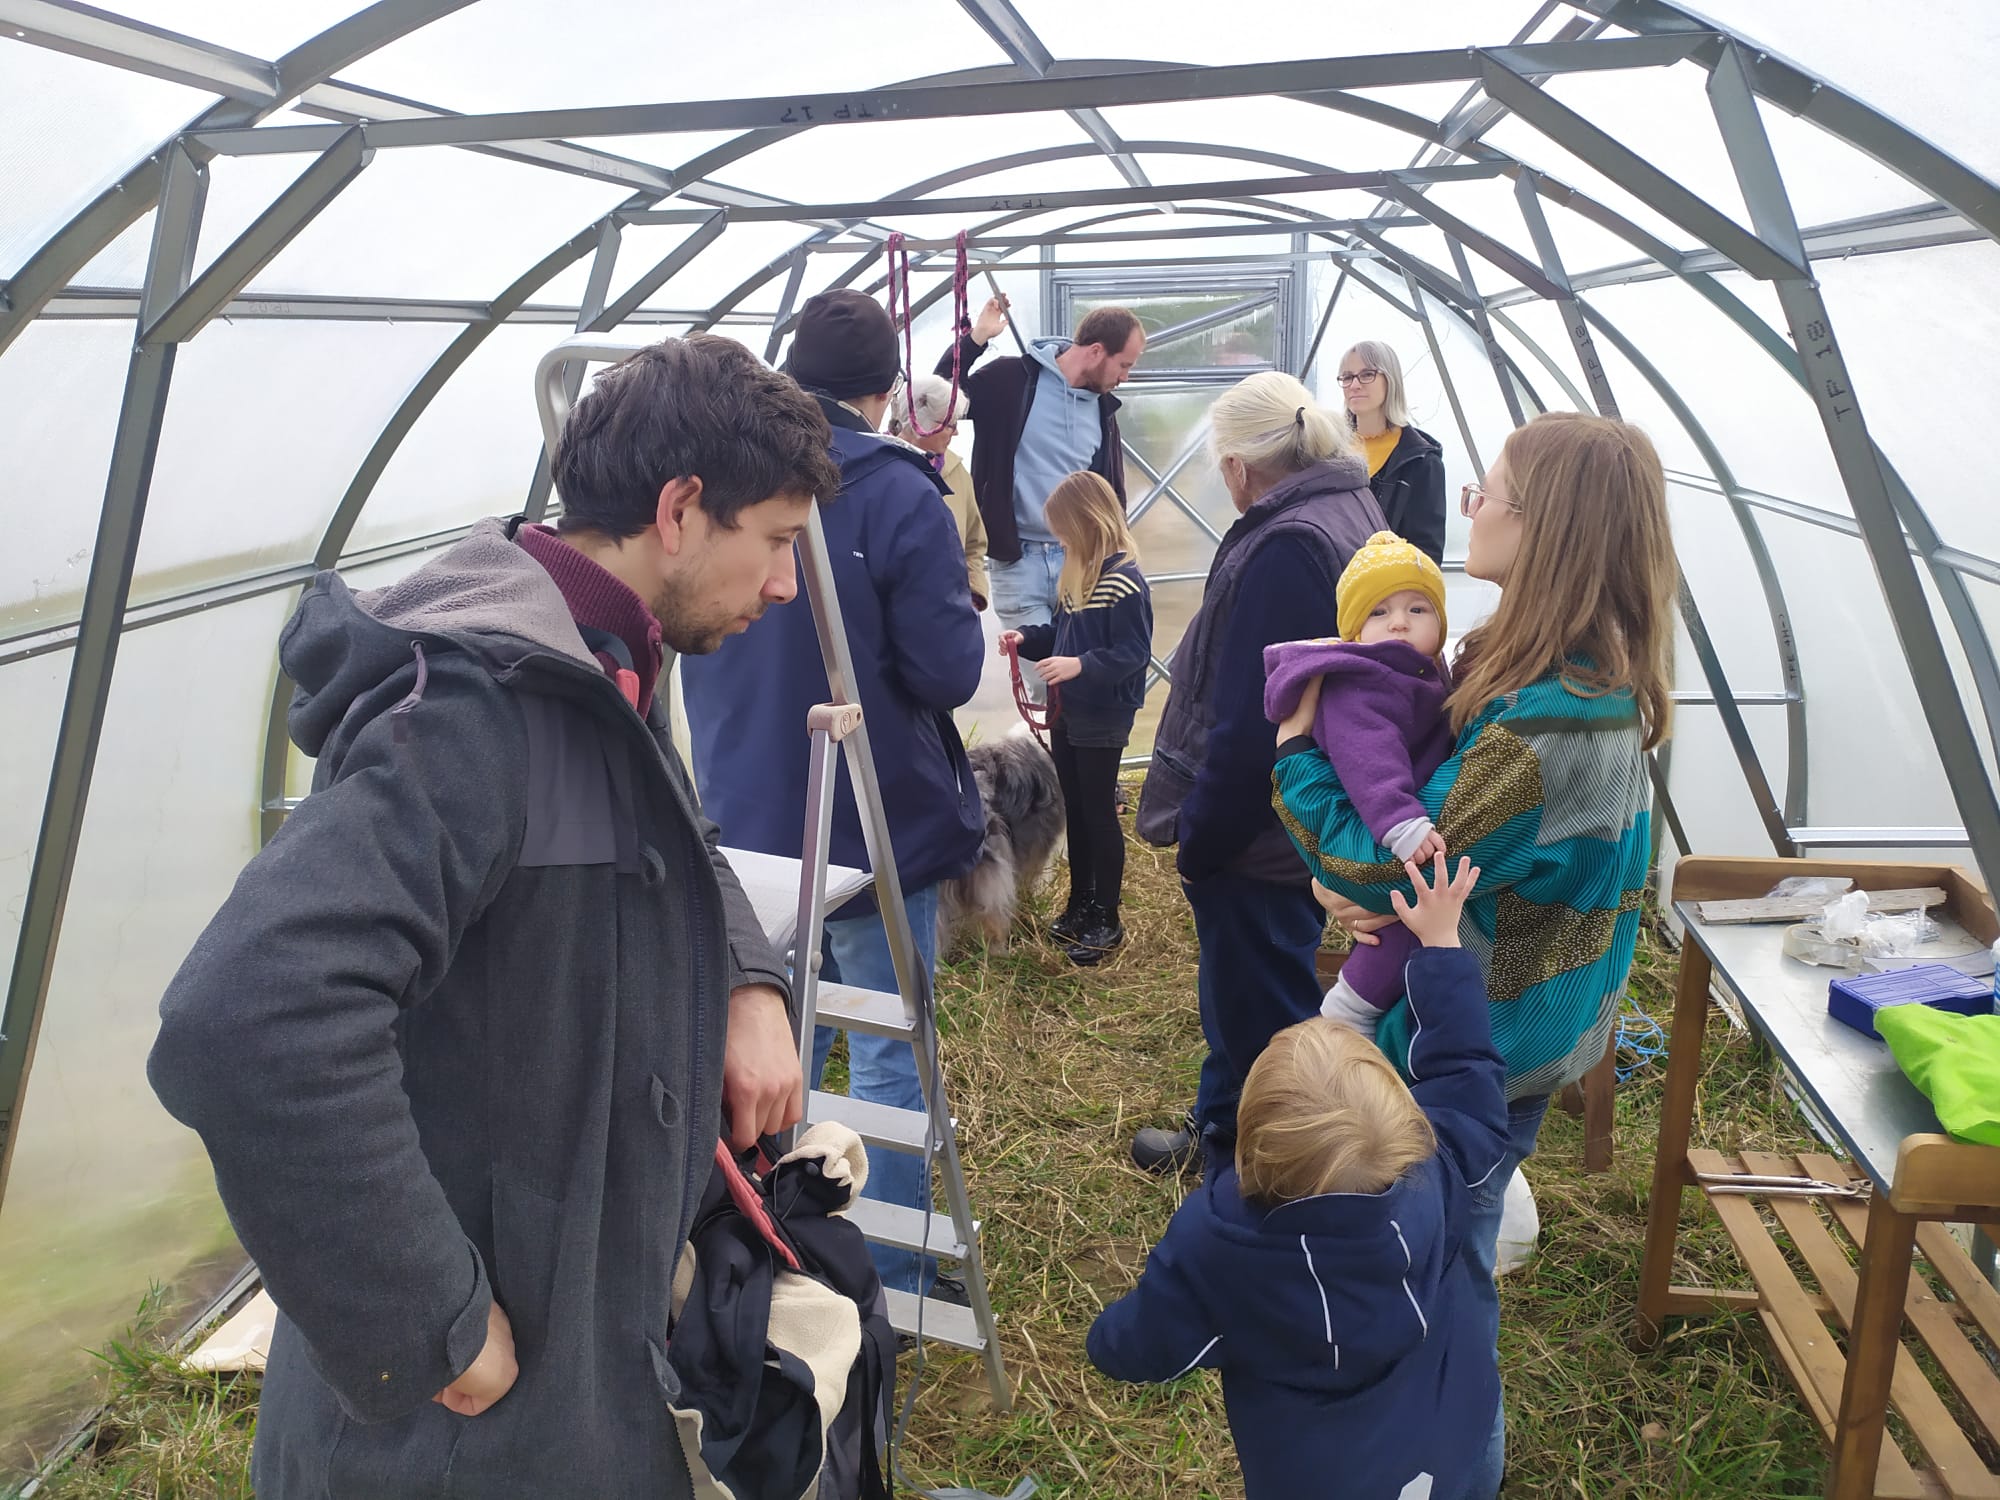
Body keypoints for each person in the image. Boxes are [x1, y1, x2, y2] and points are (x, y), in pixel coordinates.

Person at [146, 335, 836, 1500]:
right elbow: (247, 1017)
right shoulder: (477, 709)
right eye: (773, 541)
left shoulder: (604, 658)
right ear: (679, 509)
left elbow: (674, 836)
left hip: (581, 1351)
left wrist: (744, 980)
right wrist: (433, 1322)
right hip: (469, 1433)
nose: (783, 584)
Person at [1274, 410, 1678, 1498]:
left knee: (1439, 1279)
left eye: (1486, 491)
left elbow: (1380, 868)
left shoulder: (1551, 722)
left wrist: (1294, 755)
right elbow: (1438, 866)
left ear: (1541, 524)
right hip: (1513, 1020)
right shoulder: (1564, 676)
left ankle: (1449, 1472)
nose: (1470, 507)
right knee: (1447, 1243)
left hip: (1483, 1038)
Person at [681, 289, 985, 1297]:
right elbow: (946, 673)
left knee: (772, 1038)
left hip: (742, 821)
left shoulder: (713, 480)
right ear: (884, 391)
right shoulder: (898, 492)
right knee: (887, 1044)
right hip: (868, 813)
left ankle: (774, 1253)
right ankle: (890, 1273)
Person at [1087, 853, 1508, 1500]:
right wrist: (1442, 944)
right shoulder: (1438, 1176)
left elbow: (1138, 1347)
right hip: (1448, 1449)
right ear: (1402, 1122)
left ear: (1252, 1145)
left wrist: (1106, 1340)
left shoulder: (1217, 1248)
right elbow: (1465, 1074)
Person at [1130, 371, 1387, 1174]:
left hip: (1265, 831)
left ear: (1239, 466)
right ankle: (1219, 1129)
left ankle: (1253, 1182)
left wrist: (1204, 841)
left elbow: (1252, 722)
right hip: (1307, 813)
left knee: (1262, 1014)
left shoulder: (1286, 544)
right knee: (1244, 997)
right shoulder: (1346, 504)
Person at [1262, 530, 1453, 1030]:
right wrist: (1401, 822)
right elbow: (1369, 758)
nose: (1398, 622)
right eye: (1378, 612)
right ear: (1353, 629)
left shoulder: (1423, 671)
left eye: (1418, 609)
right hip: (1382, 824)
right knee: (1393, 931)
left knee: (1398, 927)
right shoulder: (1362, 682)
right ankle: (1349, 1010)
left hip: (1393, 824)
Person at [1000, 471, 1153, 967]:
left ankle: (1106, 913)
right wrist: (1026, 637)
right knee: (1077, 812)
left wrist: (1080, 666)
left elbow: (1132, 653)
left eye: (1063, 529)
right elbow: (1062, 634)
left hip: (1103, 715)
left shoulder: (1124, 583)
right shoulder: (1078, 574)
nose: (1057, 539)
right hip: (1069, 710)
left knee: (1099, 814)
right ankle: (1079, 903)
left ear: (1087, 521)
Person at [937, 294, 1143, 645]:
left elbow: (1108, 493)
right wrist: (976, 339)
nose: (1125, 377)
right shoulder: (1011, 379)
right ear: (1095, 351)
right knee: (1045, 681)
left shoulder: (1102, 410)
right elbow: (940, 396)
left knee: (1077, 679)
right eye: (1123, 365)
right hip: (1019, 561)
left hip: (1079, 560)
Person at [887, 370, 989, 610]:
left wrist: (973, 595)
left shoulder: (958, 473)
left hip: (952, 618)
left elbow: (975, 544)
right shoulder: (880, 469)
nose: (956, 432)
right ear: (921, 423)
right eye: (949, 424)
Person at [1339, 341, 1447, 565]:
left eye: (1367, 374)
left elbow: (1426, 554)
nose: (1355, 385)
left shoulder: (1421, 461)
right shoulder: (1328, 450)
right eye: (1347, 377)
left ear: (1390, 380)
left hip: (1387, 592)